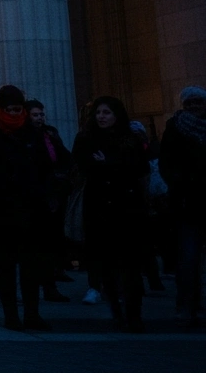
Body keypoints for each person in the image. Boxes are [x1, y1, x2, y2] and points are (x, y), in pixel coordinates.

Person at [0, 85, 55, 330]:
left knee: (30, 267)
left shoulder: (32, 133)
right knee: (6, 268)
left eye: (19, 110)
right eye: (10, 110)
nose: (15, 114)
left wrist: (45, 195)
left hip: (30, 209)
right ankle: (11, 314)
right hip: (1, 211)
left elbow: (45, 168)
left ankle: (32, 313)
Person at [74, 95, 149, 332]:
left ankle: (134, 315)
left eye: (106, 113)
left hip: (126, 207)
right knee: (106, 265)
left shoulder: (130, 139)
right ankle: (117, 311)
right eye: (98, 113)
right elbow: (81, 165)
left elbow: (138, 168)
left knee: (130, 266)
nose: (101, 117)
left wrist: (108, 163)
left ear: (116, 115)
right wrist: (109, 164)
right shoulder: (86, 138)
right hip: (99, 207)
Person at [160, 86, 206, 327]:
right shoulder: (174, 128)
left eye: (198, 102)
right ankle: (187, 306)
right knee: (188, 259)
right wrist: (180, 184)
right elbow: (166, 164)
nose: (194, 106)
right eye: (189, 103)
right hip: (188, 202)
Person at [25, 98, 73, 302]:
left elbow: (64, 155)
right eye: (35, 115)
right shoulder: (25, 136)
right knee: (37, 245)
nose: (39, 118)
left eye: (41, 114)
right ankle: (40, 285)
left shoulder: (50, 133)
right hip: (35, 193)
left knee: (52, 240)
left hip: (54, 191)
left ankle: (52, 279)